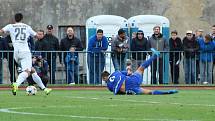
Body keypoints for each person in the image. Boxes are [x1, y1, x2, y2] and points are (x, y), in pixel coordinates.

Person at [0, 13, 52, 95]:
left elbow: (1, 31)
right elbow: (37, 36)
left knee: (32, 70)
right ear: (22, 19)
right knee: (27, 71)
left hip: (16, 53)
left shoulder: (10, 26)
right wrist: (42, 35)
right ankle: (16, 84)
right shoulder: (27, 27)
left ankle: (44, 89)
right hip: (25, 52)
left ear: (15, 19)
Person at [102, 48, 178, 95]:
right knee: (141, 68)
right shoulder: (116, 72)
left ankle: (168, 92)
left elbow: (117, 90)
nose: (103, 80)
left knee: (149, 92)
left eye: (103, 79)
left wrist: (124, 91)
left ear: (105, 77)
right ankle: (155, 56)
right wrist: (128, 69)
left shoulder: (108, 85)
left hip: (131, 87)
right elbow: (129, 73)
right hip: (133, 79)